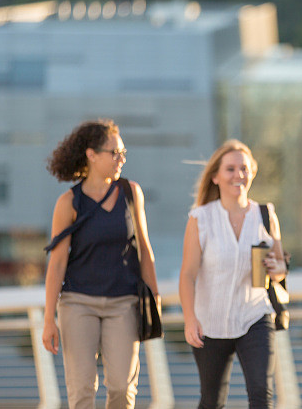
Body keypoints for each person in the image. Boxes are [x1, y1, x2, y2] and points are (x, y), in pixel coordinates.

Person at [42, 119, 159, 409]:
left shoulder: (131, 192)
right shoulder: (68, 202)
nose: (121, 159)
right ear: (91, 155)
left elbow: (145, 249)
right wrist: (48, 319)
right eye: (114, 153)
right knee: (82, 390)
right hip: (78, 303)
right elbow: (57, 263)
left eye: (123, 153)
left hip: (124, 303)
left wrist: (154, 298)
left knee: (122, 388)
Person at [179, 139, 287, 409]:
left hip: (254, 315)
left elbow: (280, 268)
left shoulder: (265, 214)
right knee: (212, 401)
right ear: (215, 176)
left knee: (261, 395)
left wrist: (278, 269)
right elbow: (188, 274)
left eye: (244, 168)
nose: (239, 174)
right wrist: (190, 319)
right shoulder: (200, 218)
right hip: (209, 322)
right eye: (230, 169)